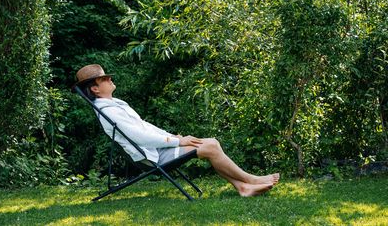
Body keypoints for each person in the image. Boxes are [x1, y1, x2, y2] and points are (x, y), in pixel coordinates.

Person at [74, 64, 279, 197]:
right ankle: (249, 181)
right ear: (95, 88)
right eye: (105, 79)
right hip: (153, 157)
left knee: (211, 143)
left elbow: (145, 126)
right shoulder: (108, 111)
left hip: (160, 148)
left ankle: (243, 187)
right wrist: (178, 142)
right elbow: (139, 137)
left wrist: (174, 137)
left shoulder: (115, 104)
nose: (110, 79)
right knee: (211, 146)